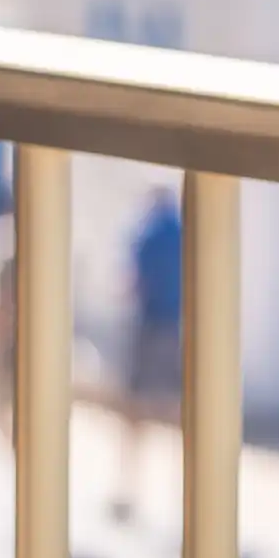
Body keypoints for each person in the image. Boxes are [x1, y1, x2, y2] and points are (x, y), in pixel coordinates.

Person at [111, 186, 182, 524]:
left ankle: (130, 489)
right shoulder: (183, 230)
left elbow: (133, 282)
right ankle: (185, 490)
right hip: (179, 329)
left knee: (134, 410)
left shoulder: (148, 233)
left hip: (150, 325)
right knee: (178, 411)